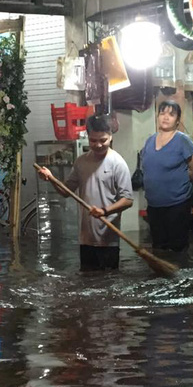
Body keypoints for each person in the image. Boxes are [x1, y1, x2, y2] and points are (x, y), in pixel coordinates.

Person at [38, 115, 133, 271]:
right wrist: (51, 178)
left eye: (103, 140)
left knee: (108, 282)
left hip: (108, 239)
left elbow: (128, 200)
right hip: (86, 237)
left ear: (111, 137)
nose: (98, 145)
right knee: (87, 280)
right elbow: (66, 192)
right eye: (93, 140)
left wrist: (104, 211)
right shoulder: (81, 162)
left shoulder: (118, 163)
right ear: (88, 137)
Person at [141, 100, 193, 252]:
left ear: (177, 120)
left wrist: (178, 183)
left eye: (171, 114)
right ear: (157, 116)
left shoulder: (182, 140)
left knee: (177, 248)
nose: (166, 117)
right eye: (162, 113)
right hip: (154, 205)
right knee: (158, 247)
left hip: (177, 204)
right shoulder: (149, 140)